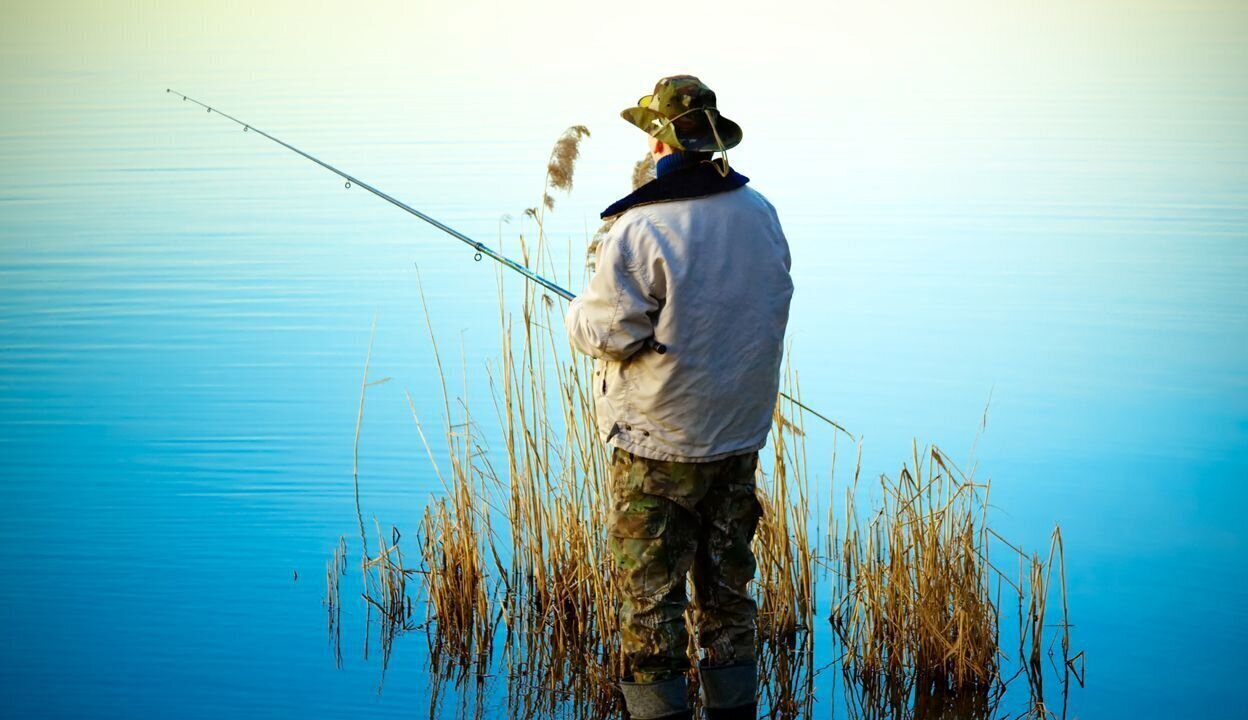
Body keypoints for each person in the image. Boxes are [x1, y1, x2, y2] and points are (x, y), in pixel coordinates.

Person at [566, 75, 794, 720]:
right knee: (727, 595)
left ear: (659, 140)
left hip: (656, 443)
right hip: (738, 435)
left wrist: (575, 314)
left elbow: (608, 331)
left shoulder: (642, 228)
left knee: (651, 602)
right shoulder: (760, 213)